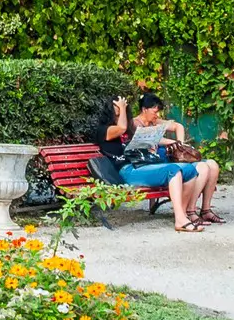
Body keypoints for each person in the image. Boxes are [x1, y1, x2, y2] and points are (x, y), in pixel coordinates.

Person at [89, 92, 208, 233]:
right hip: (127, 171)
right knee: (173, 170)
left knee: (190, 170)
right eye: (117, 110)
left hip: (141, 164)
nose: (121, 112)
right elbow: (121, 128)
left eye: (123, 109)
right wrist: (121, 106)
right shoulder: (104, 130)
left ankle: (182, 214)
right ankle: (180, 220)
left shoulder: (129, 129)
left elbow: (133, 132)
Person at [131, 92, 222, 225]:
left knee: (212, 165)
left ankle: (205, 210)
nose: (157, 115)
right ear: (144, 109)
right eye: (155, 111)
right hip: (157, 162)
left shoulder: (155, 121)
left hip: (171, 157)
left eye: (158, 112)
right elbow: (151, 140)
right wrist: (171, 142)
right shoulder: (134, 124)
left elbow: (178, 126)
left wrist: (181, 145)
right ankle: (189, 211)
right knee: (202, 168)